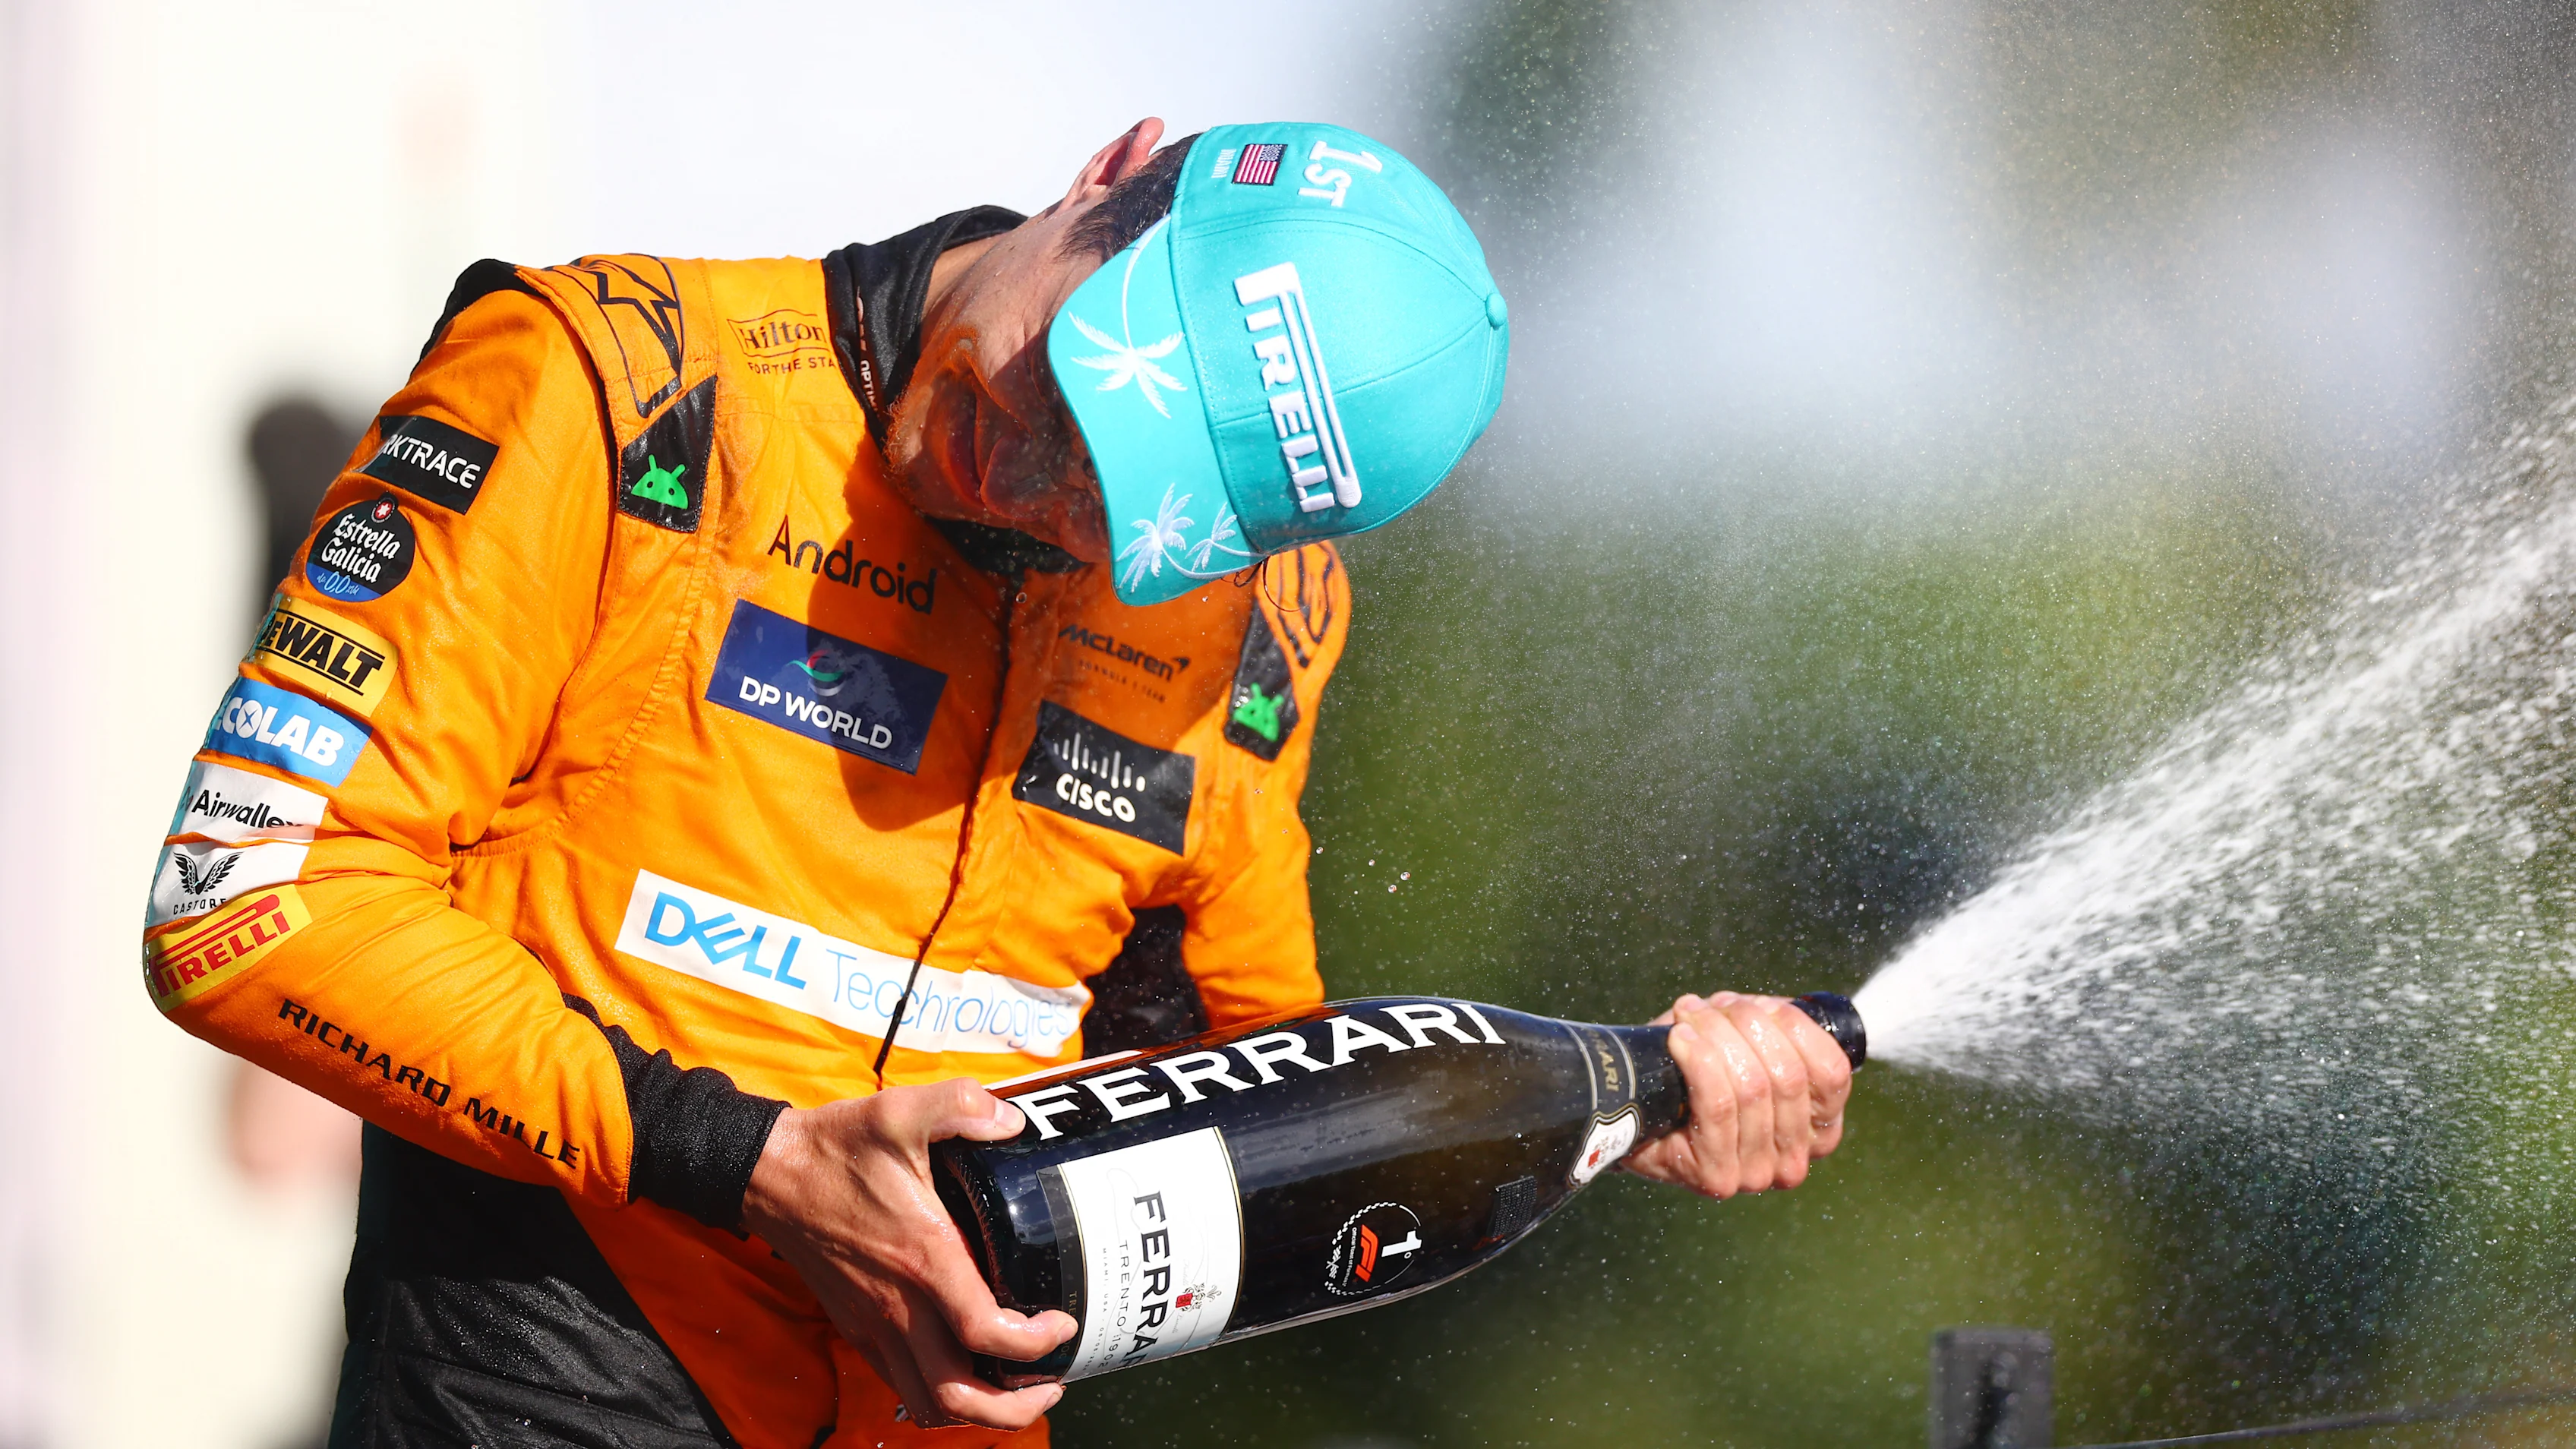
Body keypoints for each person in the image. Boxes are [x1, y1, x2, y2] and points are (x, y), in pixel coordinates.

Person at [143, 117, 1855, 1448]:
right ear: (1110, 175)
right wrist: (760, 1164)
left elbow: (1258, 1107)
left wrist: (1612, 1106)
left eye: (1127, 500)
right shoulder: (621, 381)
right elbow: (247, 904)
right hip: (552, 1358)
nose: (1032, 478)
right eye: (1072, 382)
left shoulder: (1266, 623)